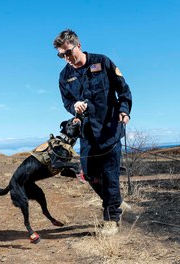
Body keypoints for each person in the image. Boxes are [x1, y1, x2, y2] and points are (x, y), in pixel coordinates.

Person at [53, 29, 132, 236]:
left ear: (78, 45)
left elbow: (123, 90)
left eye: (68, 52)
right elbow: (67, 102)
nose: (66, 58)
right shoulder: (64, 76)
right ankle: (117, 202)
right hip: (87, 133)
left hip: (110, 130)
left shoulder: (103, 62)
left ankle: (111, 220)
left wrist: (124, 111)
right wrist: (74, 106)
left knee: (110, 175)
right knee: (88, 174)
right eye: (61, 55)